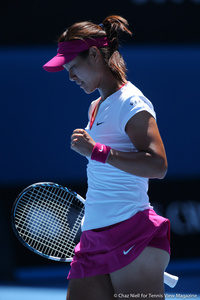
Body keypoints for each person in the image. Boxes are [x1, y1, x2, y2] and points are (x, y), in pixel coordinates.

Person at [43, 15, 170, 300]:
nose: (71, 76)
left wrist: (96, 151)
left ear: (94, 55)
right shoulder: (95, 107)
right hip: (93, 236)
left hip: (131, 233)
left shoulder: (132, 103)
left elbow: (158, 165)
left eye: (73, 67)